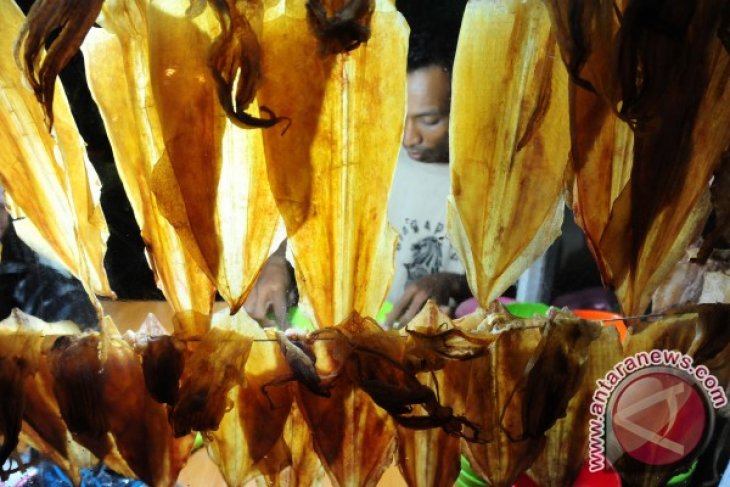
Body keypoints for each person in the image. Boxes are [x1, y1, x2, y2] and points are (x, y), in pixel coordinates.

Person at [244, 27, 470, 329]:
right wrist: (277, 261)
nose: (408, 137)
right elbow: (311, 219)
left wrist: (451, 283)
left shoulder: (482, 182)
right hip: (351, 331)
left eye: (429, 121)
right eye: (399, 116)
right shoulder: (372, 159)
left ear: (462, 108)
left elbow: (506, 289)